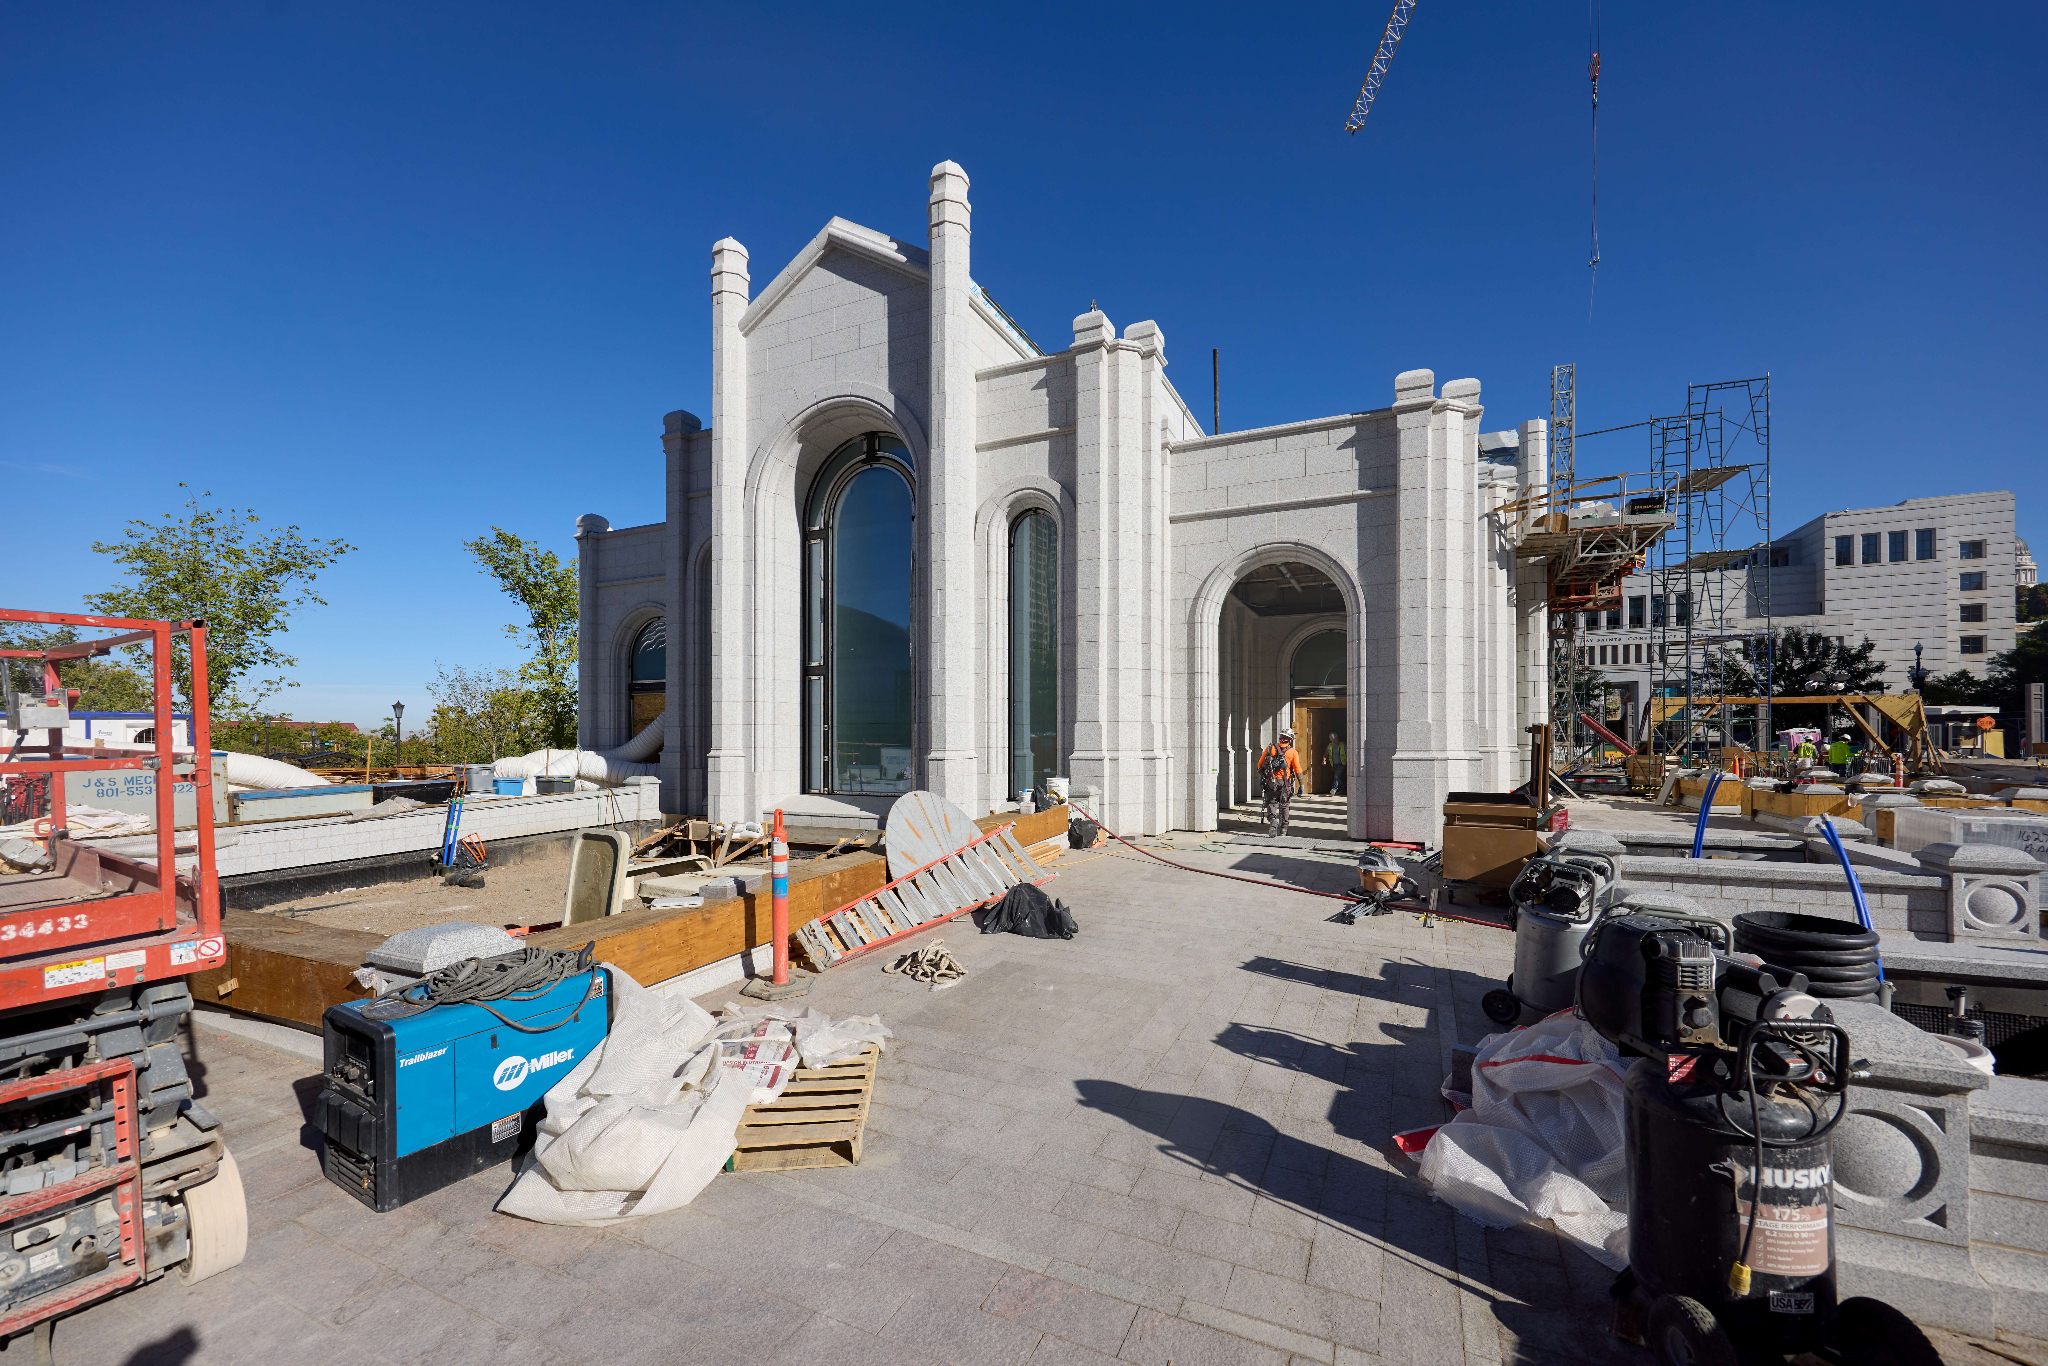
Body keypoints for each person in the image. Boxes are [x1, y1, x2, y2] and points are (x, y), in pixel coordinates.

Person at [1258, 731, 1305, 835]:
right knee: (1285, 805)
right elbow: (1297, 769)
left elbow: (1260, 765)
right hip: (1285, 783)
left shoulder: (1270, 748)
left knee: (1271, 802)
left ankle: (1273, 822)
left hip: (1271, 781)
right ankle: (1283, 829)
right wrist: (1301, 784)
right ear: (1290, 740)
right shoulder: (1293, 752)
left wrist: (1261, 778)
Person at [1325, 731, 1347, 796]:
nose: (1335, 741)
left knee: (1336, 776)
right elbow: (1326, 753)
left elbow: (1347, 753)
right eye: (1334, 740)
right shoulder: (1330, 746)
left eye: (1336, 739)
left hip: (1342, 763)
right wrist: (1324, 760)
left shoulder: (1343, 745)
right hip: (1334, 764)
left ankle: (1334, 789)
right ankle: (1342, 790)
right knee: (1339, 778)